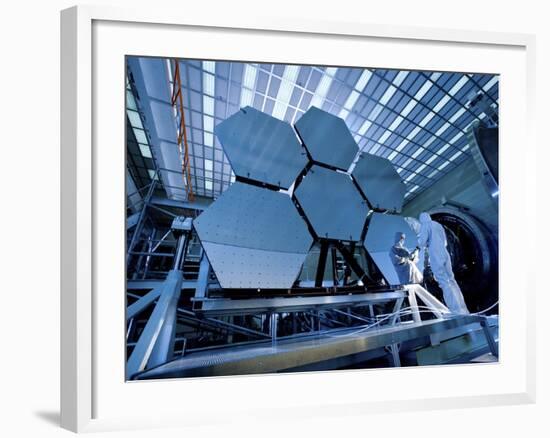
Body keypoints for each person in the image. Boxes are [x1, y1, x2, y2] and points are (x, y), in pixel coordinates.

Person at [418, 212, 469, 314]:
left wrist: (417, 245)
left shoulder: (425, 225)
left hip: (435, 253)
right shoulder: (438, 225)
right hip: (445, 253)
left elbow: (422, 242)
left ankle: (456, 311)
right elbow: (445, 242)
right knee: (452, 280)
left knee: (444, 282)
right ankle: (463, 309)